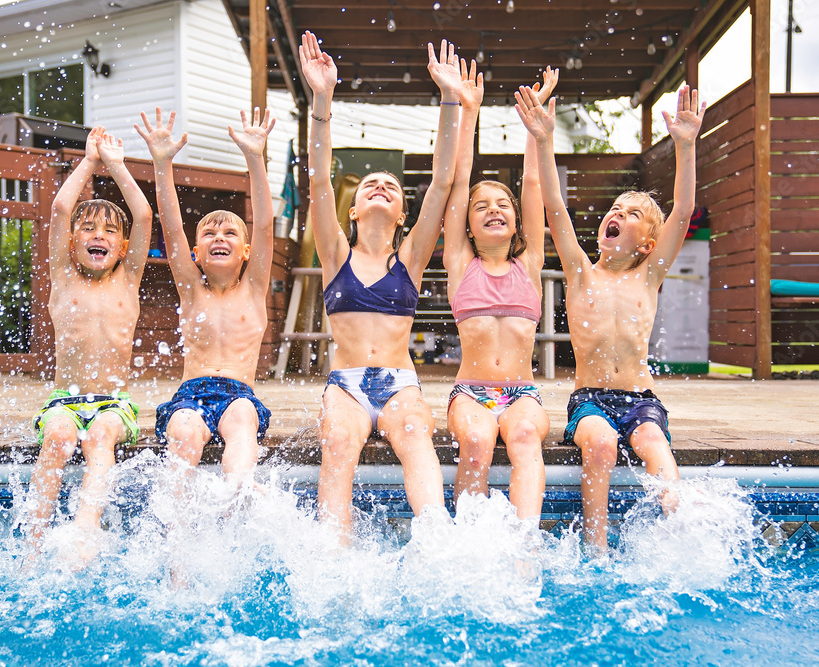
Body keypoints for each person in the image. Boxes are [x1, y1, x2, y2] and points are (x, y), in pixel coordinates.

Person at [516, 83, 706, 552]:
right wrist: (543, 140)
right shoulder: (581, 273)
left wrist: (685, 146)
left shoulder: (649, 275)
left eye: (633, 212)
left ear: (647, 243)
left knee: (655, 445)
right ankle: (596, 547)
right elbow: (555, 209)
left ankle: (681, 533)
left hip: (641, 398)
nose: (617, 212)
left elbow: (682, 211)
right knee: (599, 445)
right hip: (591, 402)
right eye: (615, 208)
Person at [299, 31, 463, 541]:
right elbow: (321, 180)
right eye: (370, 183)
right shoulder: (335, 254)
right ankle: (333, 551)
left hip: (399, 383)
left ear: (400, 214)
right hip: (346, 385)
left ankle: (436, 540)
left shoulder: (410, 258)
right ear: (353, 209)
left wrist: (450, 99)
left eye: (391, 187)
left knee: (416, 435)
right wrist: (321, 100)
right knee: (338, 442)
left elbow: (441, 181)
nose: (381, 186)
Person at [27, 125, 153, 564]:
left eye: (108, 232)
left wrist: (116, 166)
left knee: (100, 436)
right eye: (88, 228)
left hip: (113, 404)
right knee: (59, 437)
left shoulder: (128, 279)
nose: (98, 235)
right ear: (71, 242)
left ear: (122, 248)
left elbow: (144, 216)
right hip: (64, 400)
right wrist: (88, 161)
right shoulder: (62, 279)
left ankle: (86, 528)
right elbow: (62, 208)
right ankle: (34, 541)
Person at [444, 67, 559, 522]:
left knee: (526, 437)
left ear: (514, 220)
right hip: (470, 393)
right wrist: (469, 112)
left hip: (521, 392)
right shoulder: (459, 263)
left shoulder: (528, 264)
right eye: (481, 206)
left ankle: (524, 543)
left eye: (502, 204)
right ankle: (466, 542)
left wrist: (536, 130)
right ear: (468, 225)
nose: (493, 209)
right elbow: (456, 182)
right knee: (476, 441)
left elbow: (533, 186)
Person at [139, 107, 275, 487]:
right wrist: (162, 164)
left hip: (238, 393)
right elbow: (170, 224)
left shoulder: (254, 288)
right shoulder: (191, 288)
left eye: (230, 233)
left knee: (244, 423)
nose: (219, 238)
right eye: (209, 234)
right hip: (190, 393)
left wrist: (255, 157)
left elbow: (264, 224)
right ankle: (178, 536)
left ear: (246, 252)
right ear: (195, 252)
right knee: (183, 433)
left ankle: (235, 510)